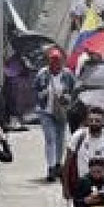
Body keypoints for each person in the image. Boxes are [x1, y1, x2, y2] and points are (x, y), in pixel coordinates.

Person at [34, 47, 76, 182]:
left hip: (62, 111)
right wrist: (44, 93)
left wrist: (67, 97)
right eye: (53, 61)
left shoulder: (68, 75)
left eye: (58, 61)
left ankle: (58, 163)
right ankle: (51, 166)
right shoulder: (42, 74)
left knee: (60, 138)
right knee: (50, 138)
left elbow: (74, 91)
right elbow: (35, 91)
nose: (56, 64)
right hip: (45, 110)